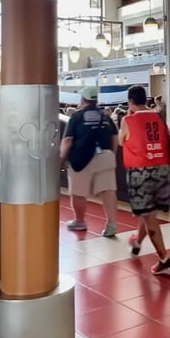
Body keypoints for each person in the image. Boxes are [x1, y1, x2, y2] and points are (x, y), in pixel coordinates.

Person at [119, 85, 170, 275]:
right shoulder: (158, 116)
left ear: (131, 101)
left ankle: (164, 258)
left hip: (140, 170)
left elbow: (121, 141)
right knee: (149, 211)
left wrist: (129, 116)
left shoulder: (128, 120)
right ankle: (137, 242)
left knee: (149, 216)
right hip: (163, 168)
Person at [60, 86, 119, 236]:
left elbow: (68, 140)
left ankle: (80, 221)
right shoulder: (105, 115)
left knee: (78, 191)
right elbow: (114, 137)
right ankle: (112, 223)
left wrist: (62, 159)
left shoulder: (77, 116)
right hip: (105, 155)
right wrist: (111, 154)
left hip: (82, 157)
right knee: (108, 190)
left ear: (83, 99)